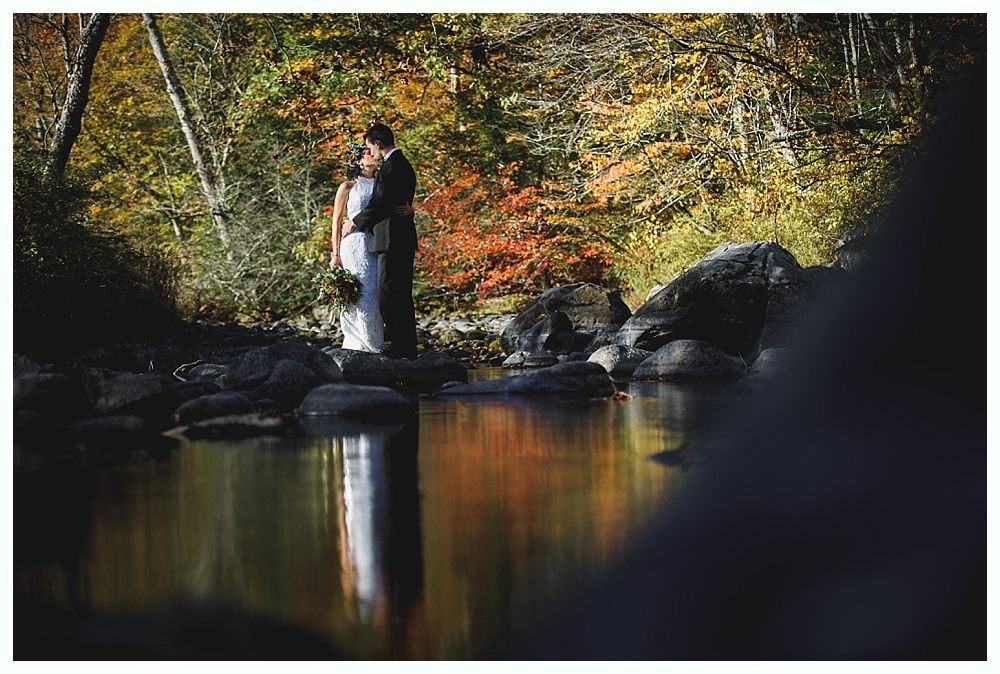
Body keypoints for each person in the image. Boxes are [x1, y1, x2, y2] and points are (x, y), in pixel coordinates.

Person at [342, 123, 419, 360]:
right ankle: (404, 343)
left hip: (392, 238)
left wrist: (355, 221)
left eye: (369, 147)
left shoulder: (393, 166)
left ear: (377, 143)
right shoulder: (399, 164)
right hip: (393, 237)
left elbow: (383, 202)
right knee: (396, 291)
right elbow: (396, 198)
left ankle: (400, 344)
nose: (370, 153)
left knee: (389, 292)